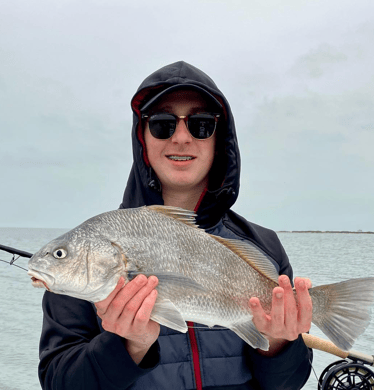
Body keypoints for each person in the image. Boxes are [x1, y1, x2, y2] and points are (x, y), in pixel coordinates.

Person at [38, 61, 313, 390]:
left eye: (200, 125)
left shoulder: (263, 245)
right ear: (142, 137)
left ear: (219, 138)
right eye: (162, 124)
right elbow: (58, 383)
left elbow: (289, 383)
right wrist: (128, 346)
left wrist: (279, 343)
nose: (181, 138)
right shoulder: (87, 251)